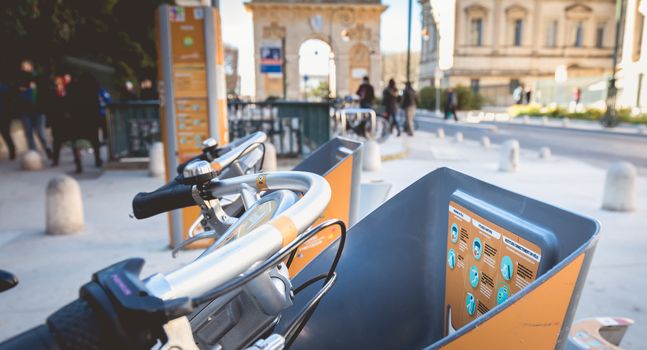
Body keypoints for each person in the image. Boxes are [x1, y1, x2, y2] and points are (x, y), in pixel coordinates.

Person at [65, 74, 104, 173]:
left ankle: (78, 164)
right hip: (90, 120)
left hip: (76, 120)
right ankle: (97, 160)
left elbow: (68, 105)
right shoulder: (92, 92)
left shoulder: (73, 90)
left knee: (76, 143)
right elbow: (97, 107)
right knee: (95, 141)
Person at [16, 60, 52, 157]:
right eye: (22, 67)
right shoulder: (19, 79)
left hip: (38, 110)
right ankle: (33, 154)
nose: (24, 69)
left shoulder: (38, 78)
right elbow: (17, 93)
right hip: (25, 110)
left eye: (26, 66)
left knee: (40, 132)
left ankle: (48, 149)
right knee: (29, 133)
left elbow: (44, 91)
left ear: (31, 67)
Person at [0, 82, 16, 160]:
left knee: (5, 133)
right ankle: (12, 150)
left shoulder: (4, 87)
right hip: (5, 114)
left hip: (4, 115)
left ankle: (12, 150)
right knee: (6, 134)